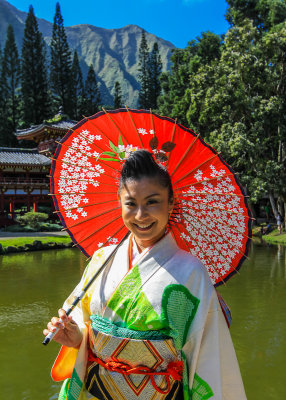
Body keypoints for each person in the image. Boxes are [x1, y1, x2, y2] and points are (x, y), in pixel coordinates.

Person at [44, 150, 247, 400]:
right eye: (131, 203)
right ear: (119, 203)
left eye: (152, 202)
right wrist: (75, 337)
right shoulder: (100, 260)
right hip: (100, 392)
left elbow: (207, 353)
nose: (141, 215)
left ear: (171, 204)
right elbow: (82, 321)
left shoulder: (192, 272)